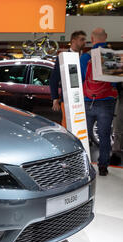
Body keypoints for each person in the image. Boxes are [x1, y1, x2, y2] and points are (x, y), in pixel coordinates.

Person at [80, 28, 118, 176]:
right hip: (106, 101)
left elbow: (82, 79)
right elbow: (115, 82)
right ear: (106, 37)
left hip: (88, 100)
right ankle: (103, 166)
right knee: (104, 135)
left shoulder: (85, 57)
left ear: (92, 38)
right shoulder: (111, 55)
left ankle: (84, 167)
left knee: (83, 135)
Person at [49, 30, 87, 127]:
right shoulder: (63, 57)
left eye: (85, 40)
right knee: (68, 125)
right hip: (68, 99)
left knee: (83, 126)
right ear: (73, 41)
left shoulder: (86, 57)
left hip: (86, 98)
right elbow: (54, 79)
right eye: (82, 39)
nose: (84, 42)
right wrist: (55, 99)